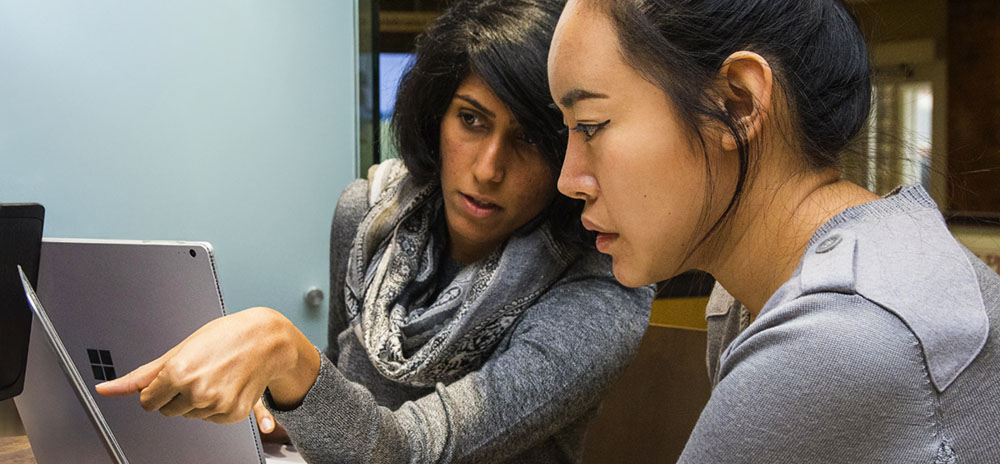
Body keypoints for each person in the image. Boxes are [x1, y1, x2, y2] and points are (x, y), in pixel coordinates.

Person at [96, 0, 653, 462]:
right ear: (435, 115)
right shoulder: (366, 215)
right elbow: (347, 399)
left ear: (565, 150)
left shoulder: (599, 290)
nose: (488, 168)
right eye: (471, 119)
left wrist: (287, 356)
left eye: (529, 137)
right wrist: (283, 414)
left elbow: (407, 451)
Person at [547, 0, 1000, 462]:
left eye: (590, 125)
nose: (568, 180)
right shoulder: (749, 296)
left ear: (736, 104)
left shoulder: (838, 335)